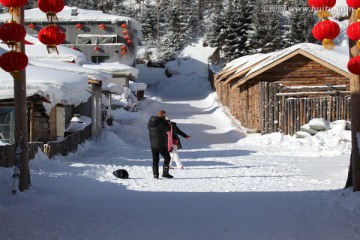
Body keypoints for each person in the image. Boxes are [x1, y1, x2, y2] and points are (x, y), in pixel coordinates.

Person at [147, 110, 174, 179]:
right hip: (161, 144)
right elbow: (168, 129)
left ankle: (155, 175)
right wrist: (166, 121)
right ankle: (165, 173)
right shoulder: (161, 122)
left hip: (153, 145)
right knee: (167, 157)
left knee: (155, 159)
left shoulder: (150, 122)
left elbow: (149, 128)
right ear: (164, 115)